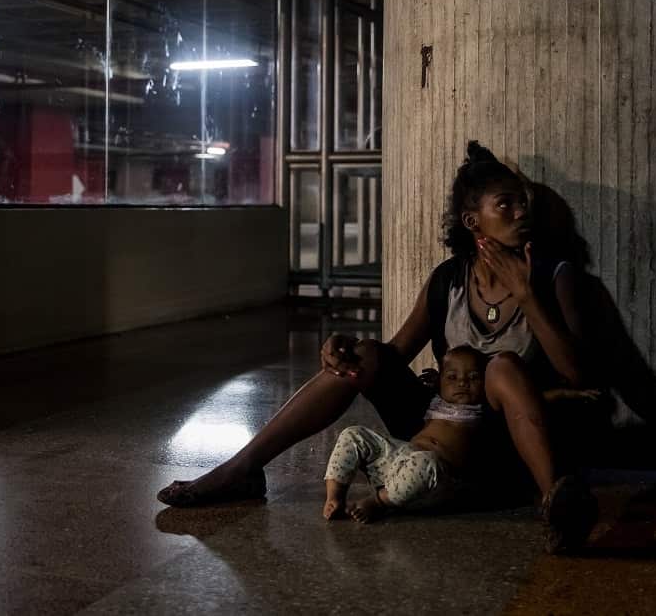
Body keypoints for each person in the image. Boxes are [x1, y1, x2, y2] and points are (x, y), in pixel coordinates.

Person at [159, 141, 605, 553]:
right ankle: (244, 469)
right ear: (473, 222)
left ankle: (554, 502)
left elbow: (580, 376)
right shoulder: (448, 280)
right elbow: (393, 356)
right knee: (367, 357)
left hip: (503, 444)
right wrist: (345, 351)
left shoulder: (553, 277)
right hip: (441, 433)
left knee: (502, 366)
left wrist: (527, 296)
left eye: (524, 203)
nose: (521, 212)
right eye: (505, 204)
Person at [323, 346, 486, 523]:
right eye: (452, 377)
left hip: (431, 479)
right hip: (398, 460)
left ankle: (379, 501)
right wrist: (435, 383)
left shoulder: (480, 408)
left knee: (426, 462)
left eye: (473, 377)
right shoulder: (438, 398)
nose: (462, 383)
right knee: (353, 434)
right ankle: (335, 496)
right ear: (440, 382)